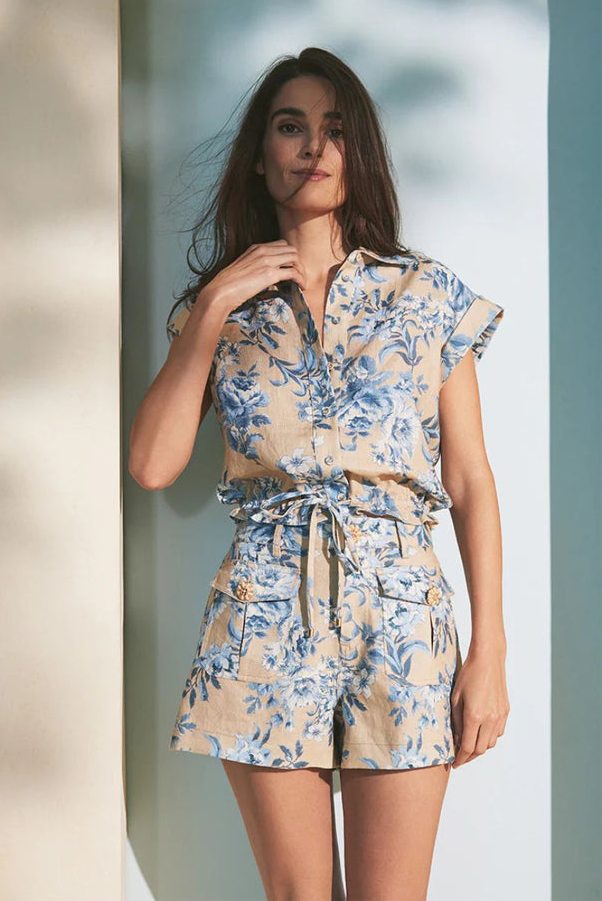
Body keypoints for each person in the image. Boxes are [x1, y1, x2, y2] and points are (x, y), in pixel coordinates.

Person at [129, 47, 509, 901]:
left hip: (400, 617)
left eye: (334, 129)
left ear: (357, 150)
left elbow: (470, 480)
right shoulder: (221, 310)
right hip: (263, 612)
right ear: (259, 156)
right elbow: (151, 464)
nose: (312, 147)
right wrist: (213, 306)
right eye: (290, 126)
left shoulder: (426, 295)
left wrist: (488, 651)